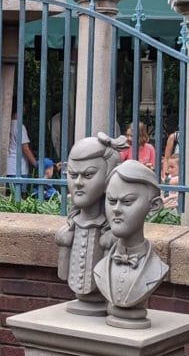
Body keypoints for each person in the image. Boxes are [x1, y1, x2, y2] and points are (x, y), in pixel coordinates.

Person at [93, 160, 168, 329]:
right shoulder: (100, 270)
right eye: (111, 201)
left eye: (127, 202)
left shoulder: (157, 269)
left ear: (154, 206)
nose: (116, 209)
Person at [55, 133, 123, 311]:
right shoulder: (69, 231)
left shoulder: (115, 236)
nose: (78, 183)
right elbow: (63, 274)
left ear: (109, 177)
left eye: (88, 175)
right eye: (72, 174)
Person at [6, 114, 37, 186]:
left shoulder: (5, 124)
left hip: (7, 167)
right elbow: (25, 149)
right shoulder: (19, 127)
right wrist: (36, 164)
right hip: (19, 168)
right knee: (19, 195)